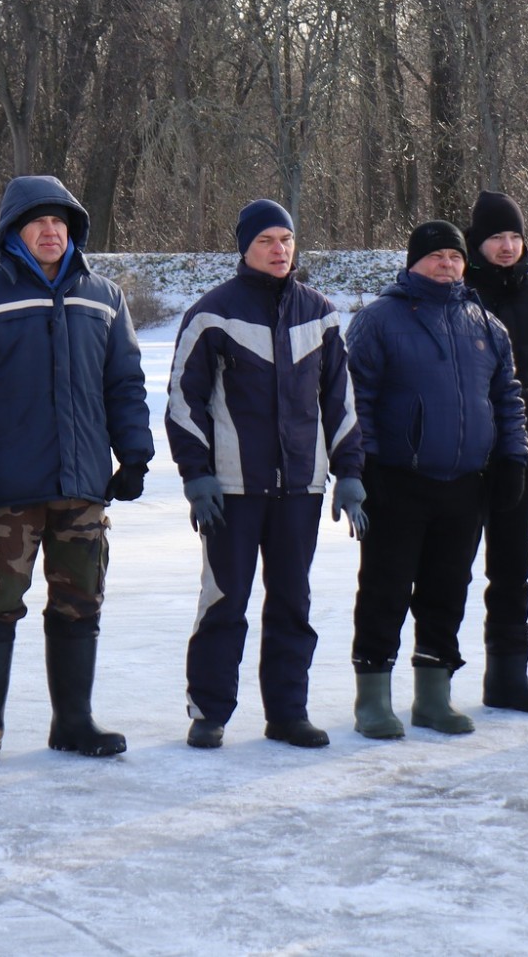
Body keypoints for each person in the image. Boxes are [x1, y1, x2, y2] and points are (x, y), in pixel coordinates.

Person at [0, 175, 154, 763]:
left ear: (72, 229)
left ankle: (73, 721)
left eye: (60, 221)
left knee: (80, 601)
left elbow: (125, 382)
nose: (50, 230)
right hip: (8, 486)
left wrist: (134, 455)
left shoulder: (104, 296)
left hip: (82, 483)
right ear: (14, 232)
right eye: (37, 221)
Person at [167, 199, 362, 751]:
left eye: (286, 240)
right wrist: (197, 475)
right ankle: (210, 711)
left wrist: (349, 473)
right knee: (224, 601)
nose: (280, 250)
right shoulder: (212, 313)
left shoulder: (319, 313)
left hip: (301, 487)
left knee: (292, 603)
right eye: (267, 242)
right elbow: (185, 401)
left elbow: (341, 401)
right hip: (232, 489)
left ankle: (287, 712)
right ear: (245, 249)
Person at [345, 220, 528, 740]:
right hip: (399, 480)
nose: (447, 265)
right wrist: (368, 466)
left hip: (465, 483)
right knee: (385, 588)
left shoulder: (485, 325)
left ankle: (433, 697)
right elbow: (358, 401)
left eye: (454, 256)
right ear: (413, 263)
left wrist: (513, 459)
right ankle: (373, 699)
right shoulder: (379, 320)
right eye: (435, 257)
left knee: (448, 591)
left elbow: (507, 399)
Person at [461, 191, 528, 714]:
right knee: (446, 569)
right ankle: (432, 677)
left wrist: (526, 407)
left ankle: (507, 676)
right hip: (458, 456)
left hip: (521, 454)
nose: (506, 246)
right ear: (476, 243)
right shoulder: (455, 291)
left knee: (511, 567)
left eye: (514, 236)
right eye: (496, 237)